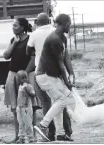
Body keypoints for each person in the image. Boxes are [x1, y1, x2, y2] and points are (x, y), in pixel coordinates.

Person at [26, 13, 73, 141]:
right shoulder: (54, 39)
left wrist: (70, 76)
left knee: (58, 101)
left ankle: (60, 133)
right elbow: (60, 62)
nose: (71, 26)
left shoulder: (61, 37)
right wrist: (67, 80)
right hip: (44, 75)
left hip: (48, 74)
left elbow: (64, 58)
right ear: (64, 24)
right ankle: (43, 125)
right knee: (62, 100)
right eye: (69, 23)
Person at [3, 18, 36, 143]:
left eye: (15, 26)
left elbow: (33, 59)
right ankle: (18, 136)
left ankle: (32, 137)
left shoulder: (30, 39)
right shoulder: (14, 40)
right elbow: (6, 56)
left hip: (26, 75)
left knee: (30, 107)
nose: (13, 27)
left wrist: (24, 75)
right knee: (15, 107)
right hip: (13, 75)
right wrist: (15, 43)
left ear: (22, 27)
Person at [16, 70, 35, 143]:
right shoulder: (20, 86)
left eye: (18, 78)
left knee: (28, 123)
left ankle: (30, 137)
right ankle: (21, 137)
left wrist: (27, 90)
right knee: (21, 123)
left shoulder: (28, 86)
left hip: (26, 108)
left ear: (23, 78)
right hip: (20, 108)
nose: (17, 80)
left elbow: (33, 95)